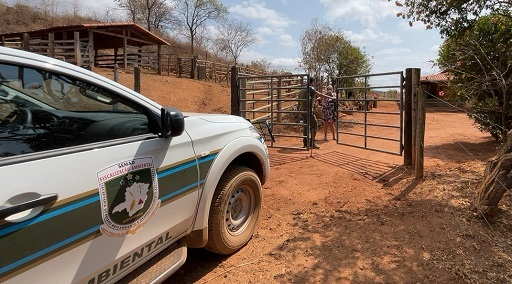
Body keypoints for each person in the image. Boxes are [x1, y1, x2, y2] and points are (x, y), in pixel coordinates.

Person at [297, 77, 331, 148]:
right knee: (314, 125)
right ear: (312, 82)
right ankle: (312, 143)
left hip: (302, 111)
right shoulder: (310, 88)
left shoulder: (302, 90)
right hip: (309, 111)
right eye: (313, 82)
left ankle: (305, 143)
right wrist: (330, 97)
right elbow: (319, 94)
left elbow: (299, 101)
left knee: (306, 127)